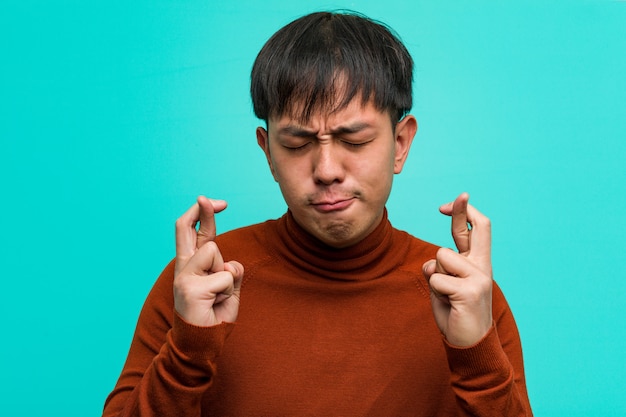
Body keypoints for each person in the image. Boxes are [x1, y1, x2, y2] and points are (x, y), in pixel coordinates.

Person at [103, 11, 533, 417]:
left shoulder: (466, 296)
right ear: (268, 152)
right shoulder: (202, 283)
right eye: (296, 144)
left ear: (400, 143)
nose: (326, 171)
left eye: (355, 140)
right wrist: (187, 352)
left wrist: (477, 353)